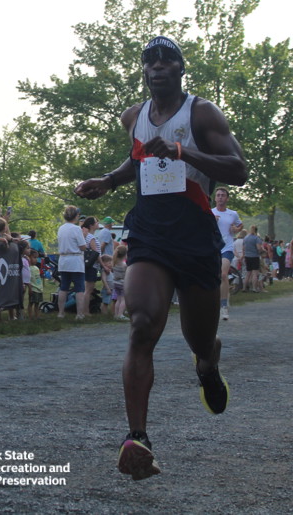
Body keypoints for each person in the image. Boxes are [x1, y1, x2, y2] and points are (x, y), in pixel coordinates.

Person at [75, 35, 247, 480]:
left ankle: (207, 365)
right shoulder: (133, 116)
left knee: (199, 339)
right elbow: (136, 161)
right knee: (142, 324)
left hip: (195, 234)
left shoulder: (201, 113)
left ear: (180, 68)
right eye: (150, 61)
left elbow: (239, 170)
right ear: (144, 71)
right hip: (150, 231)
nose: (157, 66)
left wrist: (183, 151)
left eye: (167, 59)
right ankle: (138, 439)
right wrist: (108, 181)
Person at [55, 205, 87, 320]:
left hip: (63, 260)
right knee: (79, 288)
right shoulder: (76, 229)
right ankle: (79, 314)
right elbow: (83, 246)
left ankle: (61, 313)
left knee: (63, 287)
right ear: (76, 216)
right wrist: (84, 236)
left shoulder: (61, 228)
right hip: (75, 260)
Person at [80, 216, 101, 319]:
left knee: (87, 289)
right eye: (96, 222)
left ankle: (84, 310)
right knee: (88, 290)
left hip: (86, 265)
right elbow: (95, 253)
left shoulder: (86, 236)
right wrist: (103, 265)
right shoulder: (91, 237)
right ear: (91, 225)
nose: (98, 224)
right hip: (92, 266)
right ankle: (85, 311)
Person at [242, 225, 264, 294]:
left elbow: (243, 248)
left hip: (247, 256)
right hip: (254, 256)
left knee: (248, 273)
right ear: (256, 230)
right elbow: (258, 248)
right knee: (255, 273)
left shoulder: (246, 238)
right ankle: (254, 288)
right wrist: (262, 251)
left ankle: (244, 288)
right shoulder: (256, 238)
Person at [26, 243, 43, 321]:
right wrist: (30, 288)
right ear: (28, 258)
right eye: (34, 257)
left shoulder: (36, 267)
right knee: (31, 303)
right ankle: (30, 316)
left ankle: (37, 316)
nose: (36, 259)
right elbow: (28, 279)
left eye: (37, 258)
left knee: (37, 303)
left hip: (39, 289)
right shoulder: (28, 268)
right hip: (33, 289)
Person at [112, 244, 129, 320]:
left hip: (115, 283)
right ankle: (120, 314)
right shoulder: (124, 265)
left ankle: (116, 315)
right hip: (122, 284)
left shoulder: (114, 263)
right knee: (123, 300)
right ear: (125, 255)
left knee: (118, 299)